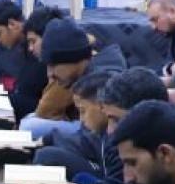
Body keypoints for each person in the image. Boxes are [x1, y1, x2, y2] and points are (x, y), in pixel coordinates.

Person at [21, 17, 129, 145]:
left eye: (53, 65)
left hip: (100, 142)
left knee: (30, 127)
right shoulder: (84, 69)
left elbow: (92, 133)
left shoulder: (100, 81)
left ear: (74, 59)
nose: (50, 74)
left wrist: (49, 139)